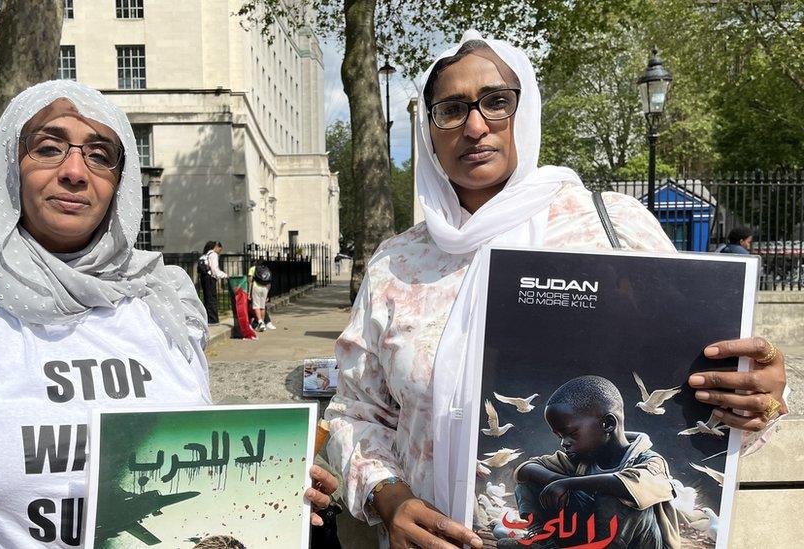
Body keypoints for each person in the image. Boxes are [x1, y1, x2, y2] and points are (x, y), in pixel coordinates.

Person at [324, 32, 789, 549]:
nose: (475, 125)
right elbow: (355, 414)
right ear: (429, 131)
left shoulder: (610, 227)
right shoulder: (399, 265)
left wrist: (754, 394)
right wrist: (390, 499)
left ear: (525, 112)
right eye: (451, 109)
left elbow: (700, 402)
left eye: (496, 102)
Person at [0, 80, 336, 548]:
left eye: (100, 156)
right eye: (48, 147)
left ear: (121, 184)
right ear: (10, 168)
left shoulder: (165, 303)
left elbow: (196, 491)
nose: (75, 171)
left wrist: (266, 491)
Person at [507, 376, 678, 549]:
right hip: (591, 539)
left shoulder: (651, 461)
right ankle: (543, 541)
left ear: (608, 424)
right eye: (560, 436)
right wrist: (553, 480)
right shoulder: (581, 458)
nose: (564, 443)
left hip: (641, 545)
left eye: (571, 434)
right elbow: (524, 470)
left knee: (616, 496)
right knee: (532, 480)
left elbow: (627, 486)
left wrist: (567, 483)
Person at [198, 240, 228, 324]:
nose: (219, 252)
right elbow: (215, 270)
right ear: (216, 247)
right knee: (212, 299)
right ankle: (213, 320)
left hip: (204, 278)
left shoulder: (205, 255)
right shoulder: (213, 255)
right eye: (220, 249)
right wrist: (225, 275)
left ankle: (207, 318)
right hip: (210, 278)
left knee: (207, 299)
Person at [248, 259, 275, 331]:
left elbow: (250, 282)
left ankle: (260, 322)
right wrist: (268, 295)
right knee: (262, 306)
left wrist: (249, 293)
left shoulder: (252, 269)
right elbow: (269, 282)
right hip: (265, 288)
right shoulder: (267, 269)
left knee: (256, 306)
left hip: (256, 287)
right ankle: (263, 324)